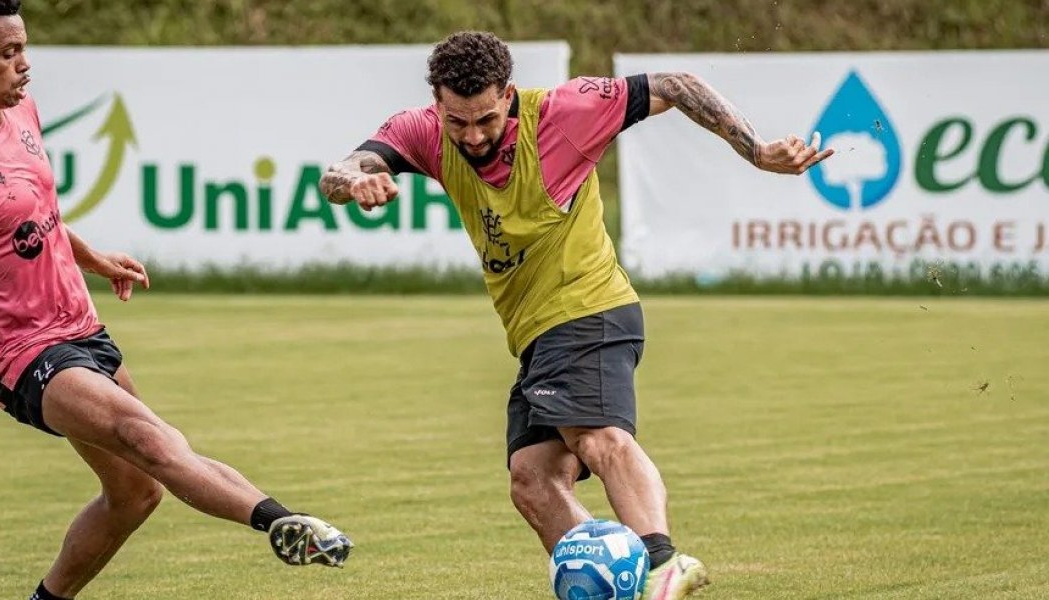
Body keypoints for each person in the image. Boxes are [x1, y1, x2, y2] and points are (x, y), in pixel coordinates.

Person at [0, 2, 352, 598]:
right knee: (147, 437)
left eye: (24, 49)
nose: (25, 66)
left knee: (137, 492)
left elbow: (32, 216)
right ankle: (280, 522)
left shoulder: (20, 116)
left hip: (81, 329)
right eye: (9, 54)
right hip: (21, 357)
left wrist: (90, 258)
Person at [320, 31, 832, 599]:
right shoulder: (422, 131)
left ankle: (663, 564)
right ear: (438, 104)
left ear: (508, 95)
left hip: (589, 309)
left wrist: (756, 150)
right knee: (533, 481)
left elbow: (676, 85)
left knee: (596, 436)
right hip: (536, 334)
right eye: (457, 121)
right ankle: (621, 583)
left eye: (486, 119)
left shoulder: (564, 115)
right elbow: (338, 170)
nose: (473, 135)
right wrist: (355, 180)